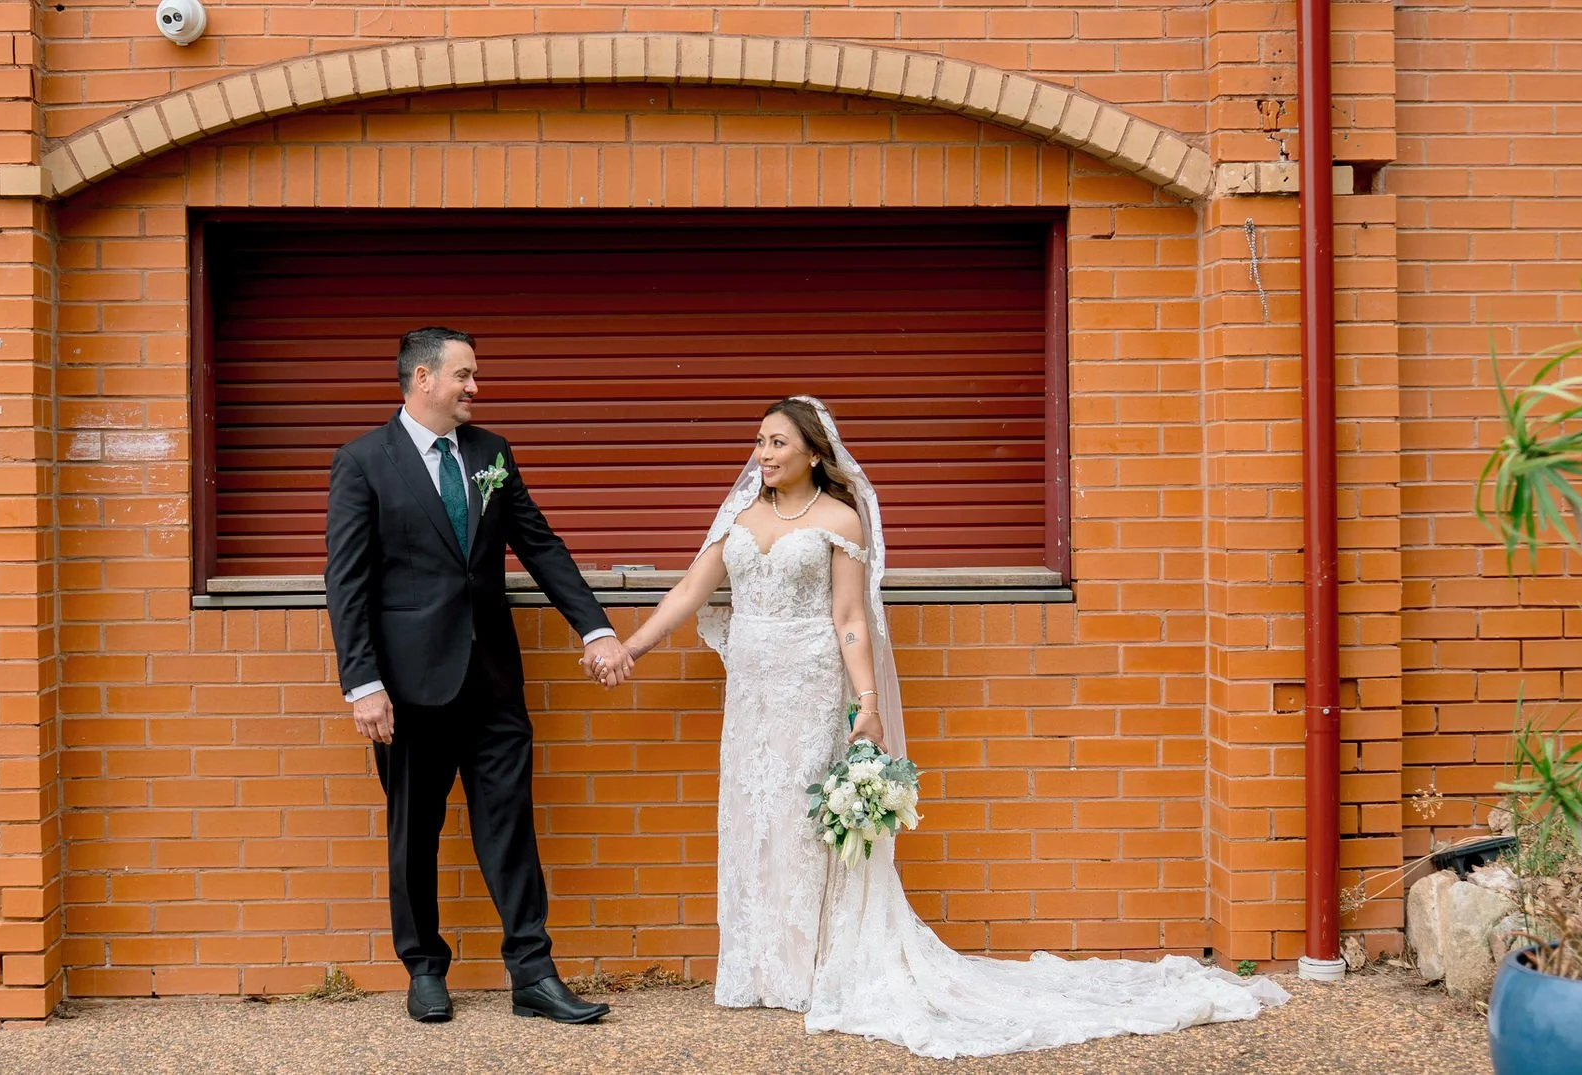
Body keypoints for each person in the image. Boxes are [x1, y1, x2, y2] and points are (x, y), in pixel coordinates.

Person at [598, 396, 1289, 1058]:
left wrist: (866, 702)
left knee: (806, 826)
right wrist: (631, 646)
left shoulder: (839, 520)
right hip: (751, 695)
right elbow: (691, 588)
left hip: (810, 687)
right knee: (754, 817)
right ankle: (754, 969)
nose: (762, 453)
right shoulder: (741, 516)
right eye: (759, 441)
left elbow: (848, 618)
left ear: (814, 452)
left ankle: (809, 971)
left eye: (777, 441)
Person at [324, 327, 633, 1026]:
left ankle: (532, 971)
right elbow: (345, 583)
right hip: (407, 687)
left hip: (492, 679)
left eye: (475, 376)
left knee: (510, 825)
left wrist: (596, 626)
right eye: (464, 375)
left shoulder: (491, 453)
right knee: (415, 830)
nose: (475, 388)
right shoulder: (363, 462)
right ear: (424, 377)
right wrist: (362, 683)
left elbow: (541, 543)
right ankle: (425, 967)